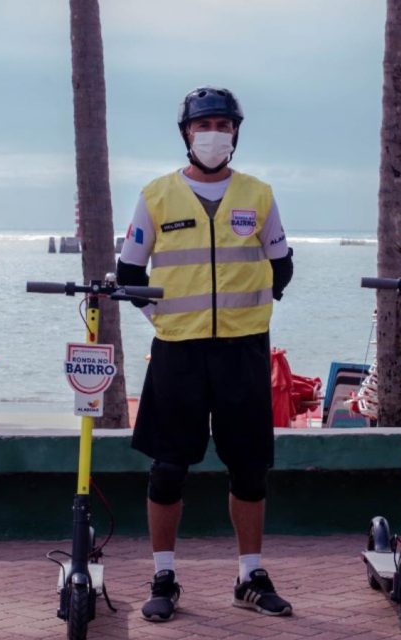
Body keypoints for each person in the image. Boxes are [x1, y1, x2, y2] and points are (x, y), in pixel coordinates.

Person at [116, 87, 295, 622]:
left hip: (243, 351)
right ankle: (164, 576)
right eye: (203, 125)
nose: (213, 133)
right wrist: (167, 321)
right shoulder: (156, 195)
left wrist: (249, 315)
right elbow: (129, 275)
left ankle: (249, 576)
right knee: (168, 469)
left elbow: (281, 267)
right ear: (186, 134)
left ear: (235, 133)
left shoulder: (259, 194)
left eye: (222, 124)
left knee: (250, 470)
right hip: (178, 353)